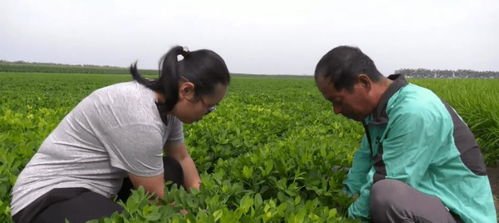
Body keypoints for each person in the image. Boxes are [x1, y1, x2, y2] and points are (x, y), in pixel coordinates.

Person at [10, 46, 230, 223]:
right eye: (210, 107)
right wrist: (193, 218)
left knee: (172, 168)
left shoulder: (169, 107)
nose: (208, 113)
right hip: (47, 197)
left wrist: (201, 203)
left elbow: (182, 157)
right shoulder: (139, 115)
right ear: (187, 90)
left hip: (95, 189)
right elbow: (155, 196)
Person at [314, 46, 496, 222]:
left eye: (337, 101)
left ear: (364, 83)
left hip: (458, 213)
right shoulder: (379, 111)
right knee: (340, 174)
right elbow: (363, 161)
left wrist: (347, 217)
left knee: (385, 195)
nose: (336, 110)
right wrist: (345, 196)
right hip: (429, 197)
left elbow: (392, 178)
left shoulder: (414, 110)